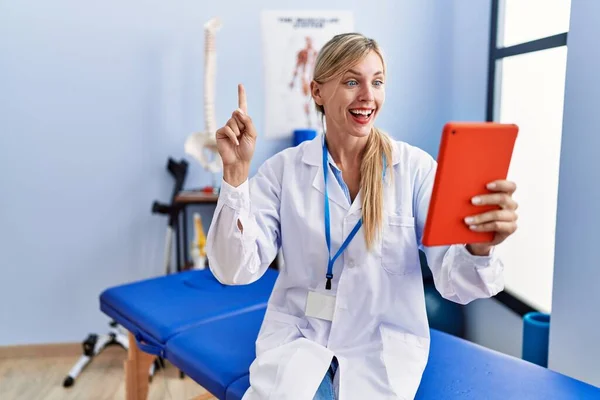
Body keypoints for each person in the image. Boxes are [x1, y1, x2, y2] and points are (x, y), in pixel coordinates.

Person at [206, 33, 518, 400]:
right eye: (352, 81)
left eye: (378, 81)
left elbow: (454, 281)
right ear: (317, 92)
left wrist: (479, 249)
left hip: (380, 352)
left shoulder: (414, 170)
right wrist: (237, 176)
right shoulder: (284, 171)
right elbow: (233, 269)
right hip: (300, 339)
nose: (368, 95)